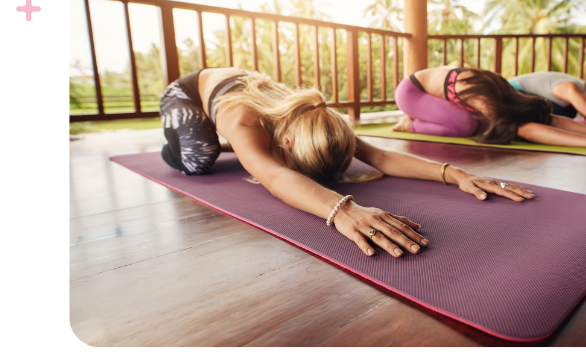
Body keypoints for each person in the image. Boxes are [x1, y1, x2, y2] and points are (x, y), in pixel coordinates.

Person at [159, 67, 535, 258]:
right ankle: (208, 144)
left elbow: (382, 157)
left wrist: (457, 175)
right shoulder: (242, 119)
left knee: (252, 154)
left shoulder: (320, 122)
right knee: (198, 159)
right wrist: (342, 209)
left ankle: (244, 150)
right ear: (286, 142)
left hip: (250, 88)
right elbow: (275, 176)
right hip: (192, 92)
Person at [390, 67, 586, 153]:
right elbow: (527, 129)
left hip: (445, 95)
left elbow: (550, 120)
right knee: (468, 126)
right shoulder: (487, 100)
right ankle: (409, 123)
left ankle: (424, 116)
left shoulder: (511, 95)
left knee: (480, 125)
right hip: (412, 92)